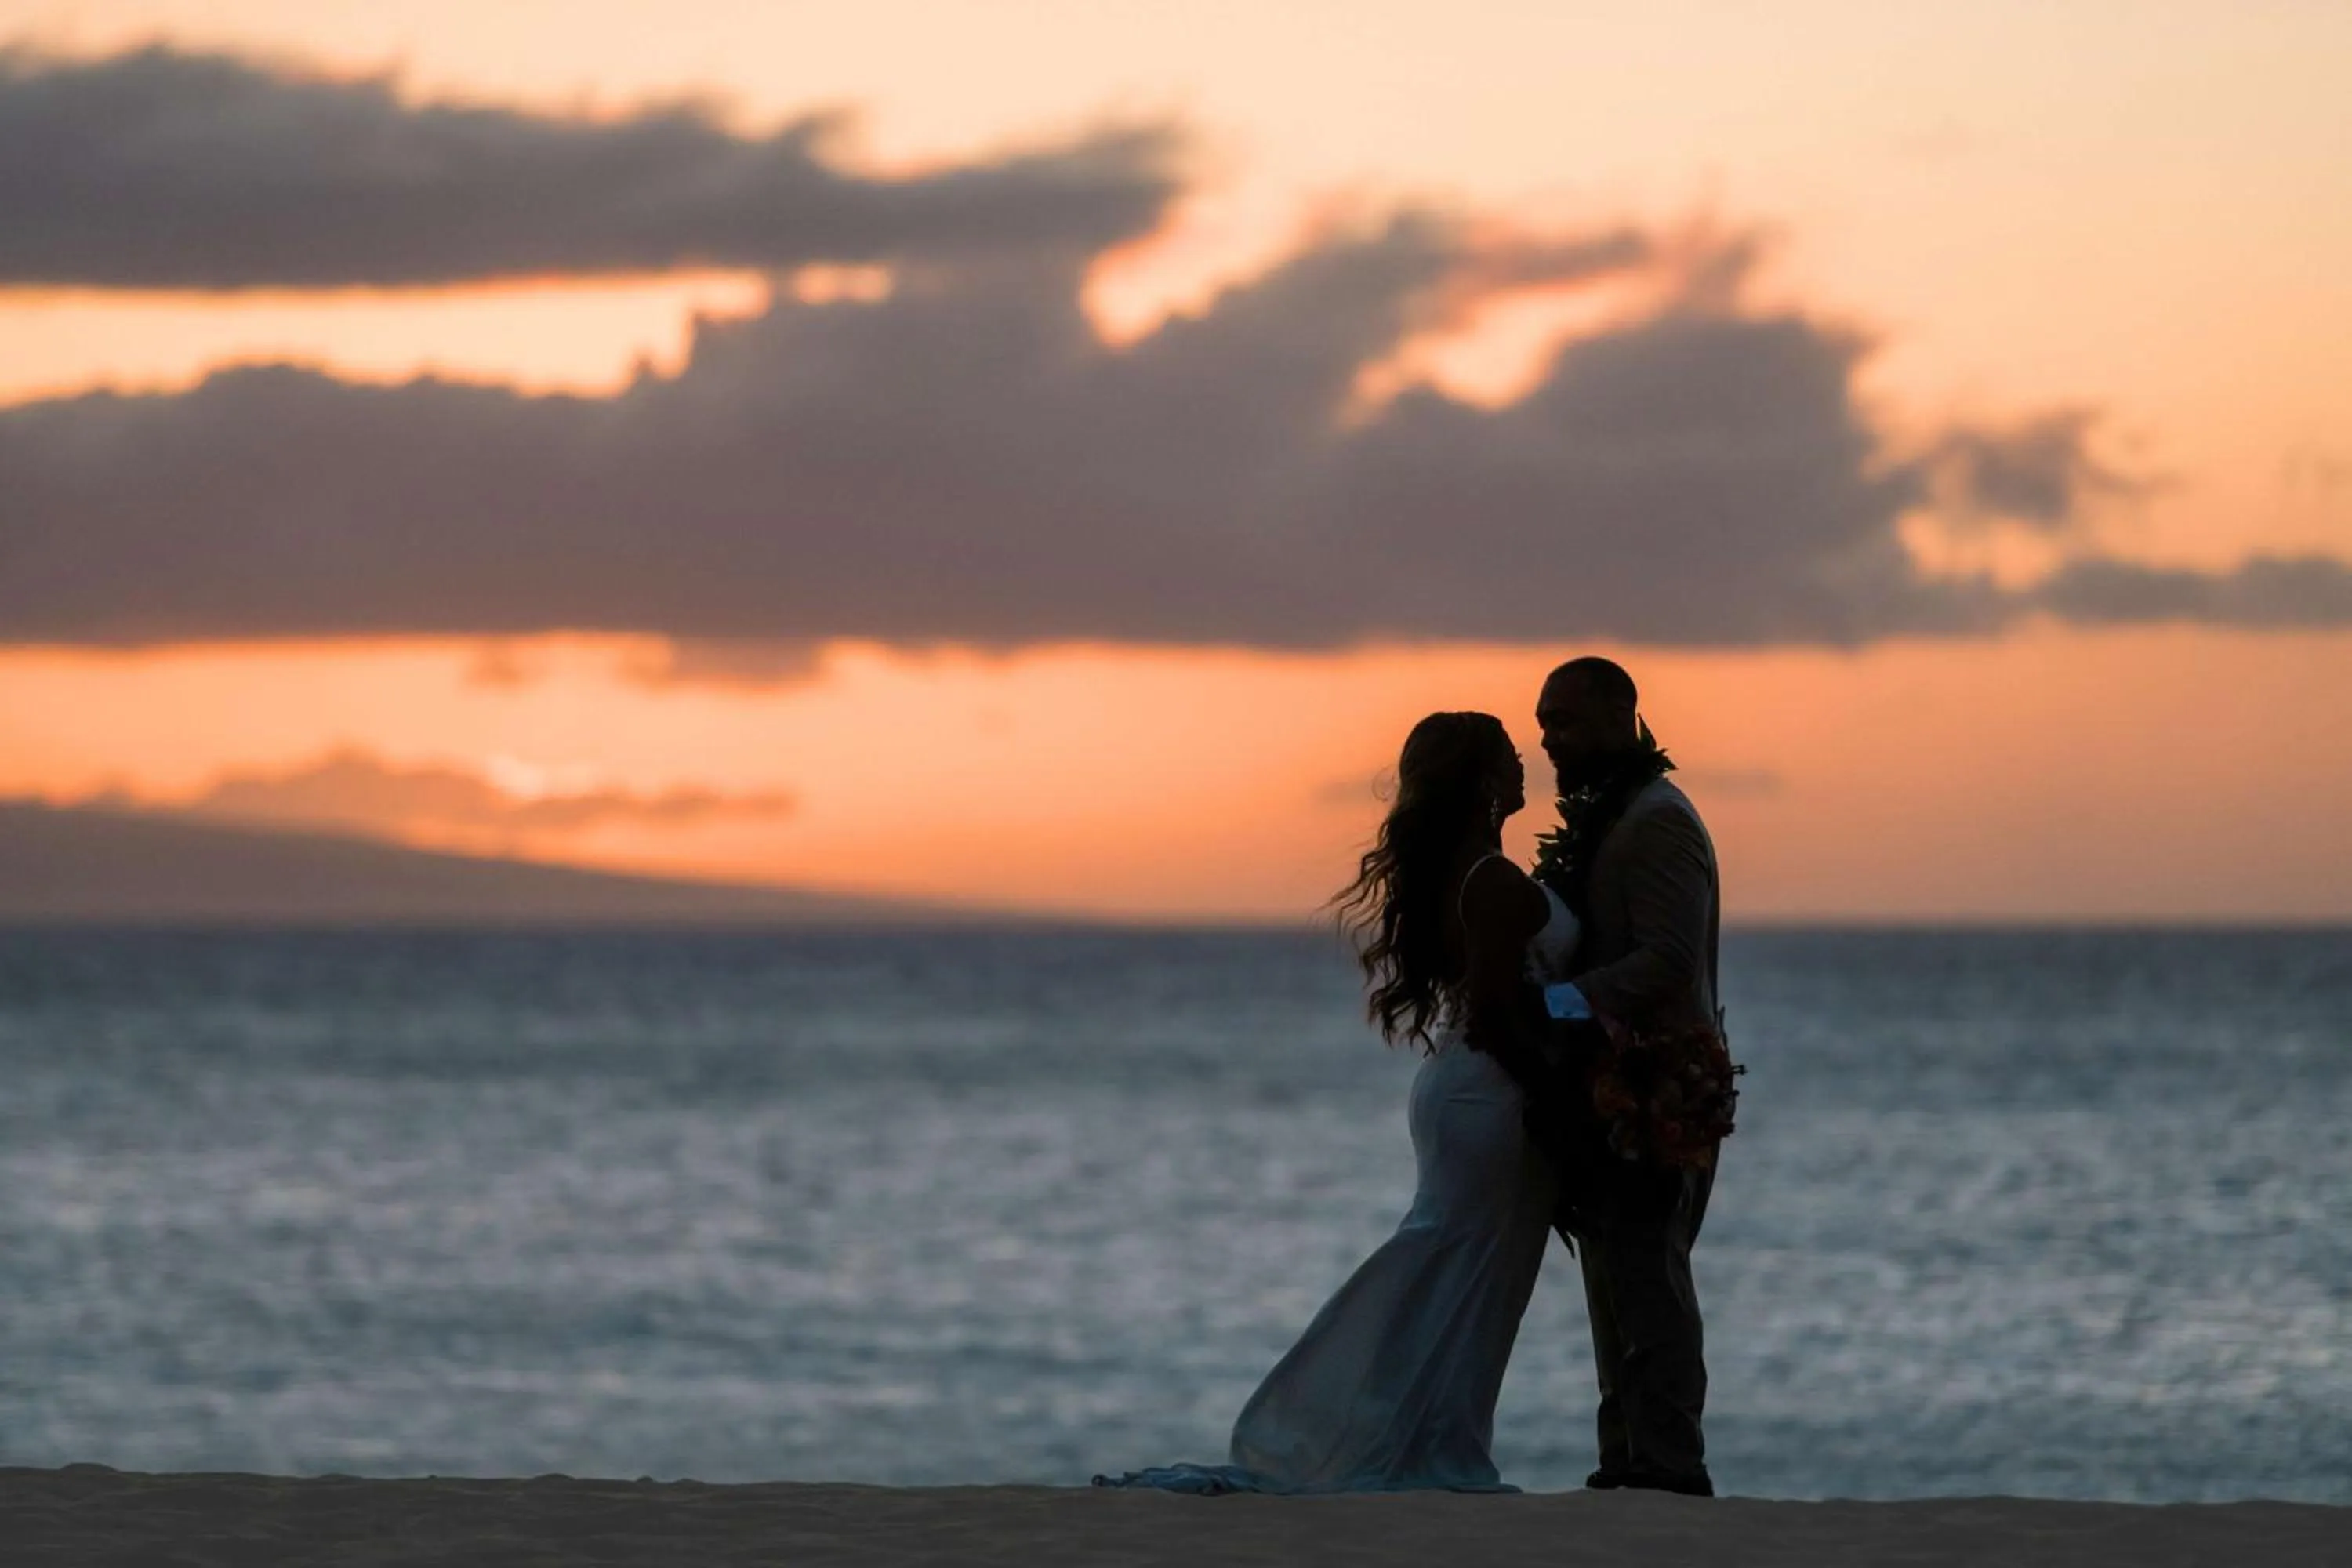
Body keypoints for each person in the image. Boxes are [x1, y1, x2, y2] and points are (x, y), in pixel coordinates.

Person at [1094, 710, 1581, 1494]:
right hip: (1491, 1091)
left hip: (1469, 1085)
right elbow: (1500, 1012)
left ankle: (1427, 1437)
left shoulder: (1469, 867)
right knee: (1455, 1266)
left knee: (1466, 1269)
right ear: (1483, 778)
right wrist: (1563, 1090)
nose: (1524, 765)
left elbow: (1515, 998)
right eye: (1508, 755)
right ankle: (1392, 1441)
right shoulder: (1488, 877)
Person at [1526, 656, 1723, 1497]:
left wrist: (1557, 1005)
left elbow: (1670, 960)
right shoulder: (1616, 818)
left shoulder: (1657, 820)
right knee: (1613, 1274)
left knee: (1648, 1272)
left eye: (1564, 722)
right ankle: (1625, 1458)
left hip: (1658, 1087)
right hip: (1612, 1086)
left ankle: (1670, 1466)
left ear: (1620, 712)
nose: (1550, 742)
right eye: (1543, 726)